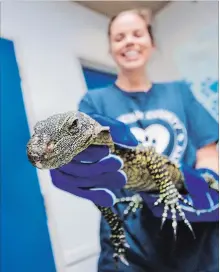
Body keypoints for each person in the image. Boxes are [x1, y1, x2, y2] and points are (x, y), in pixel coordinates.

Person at [50, 9, 219, 272]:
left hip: (191, 230)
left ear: (152, 43)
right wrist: (77, 165)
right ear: (110, 48)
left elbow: (208, 151)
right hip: (129, 237)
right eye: (119, 37)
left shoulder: (180, 92)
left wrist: (207, 183)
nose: (129, 41)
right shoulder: (94, 102)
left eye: (137, 34)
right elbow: (87, 152)